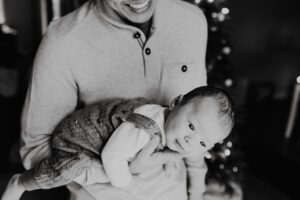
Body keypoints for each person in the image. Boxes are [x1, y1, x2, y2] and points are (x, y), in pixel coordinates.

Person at [17, 0, 208, 199]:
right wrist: (123, 167)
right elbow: (35, 149)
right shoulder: (62, 40)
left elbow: (199, 116)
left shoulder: (192, 20)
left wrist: (197, 191)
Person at [2, 86, 235, 200]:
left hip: (107, 138)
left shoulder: (169, 126)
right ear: (176, 103)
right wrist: (127, 182)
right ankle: (21, 183)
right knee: (66, 171)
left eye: (203, 143)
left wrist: (169, 161)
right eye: (191, 126)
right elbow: (113, 156)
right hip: (77, 142)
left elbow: (167, 147)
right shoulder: (146, 127)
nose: (189, 141)